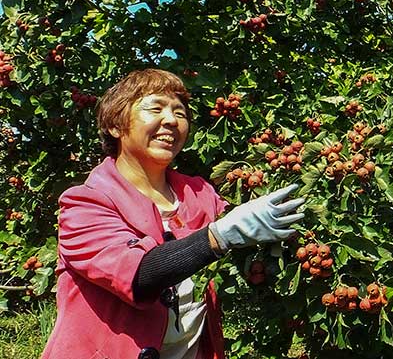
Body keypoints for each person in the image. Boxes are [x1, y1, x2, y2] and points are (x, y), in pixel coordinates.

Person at [41, 69, 305, 359]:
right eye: (155, 108)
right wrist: (219, 237)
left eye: (180, 113)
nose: (171, 120)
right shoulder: (85, 204)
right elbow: (140, 275)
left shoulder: (199, 194)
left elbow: (253, 246)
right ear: (115, 125)